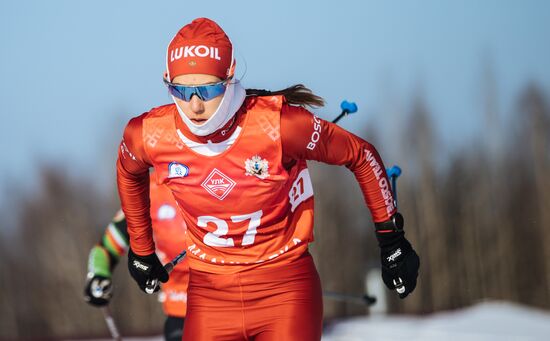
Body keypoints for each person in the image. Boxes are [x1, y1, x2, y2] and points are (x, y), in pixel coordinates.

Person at [117, 17, 420, 341]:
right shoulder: (149, 134)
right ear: (167, 81)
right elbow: (128, 171)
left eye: (207, 89)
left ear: (229, 76)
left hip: (284, 290)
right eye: (181, 89)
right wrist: (141, 250)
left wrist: (391, 239)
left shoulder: (277, 125)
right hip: (210, 295)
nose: (194, 104)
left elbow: (360, 154)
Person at [84, 172, 189, 341]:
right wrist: (99, 274)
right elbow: (106, 248)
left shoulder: (218, 175)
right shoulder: (149, 190)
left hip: (234, 302)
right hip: (182, 309)